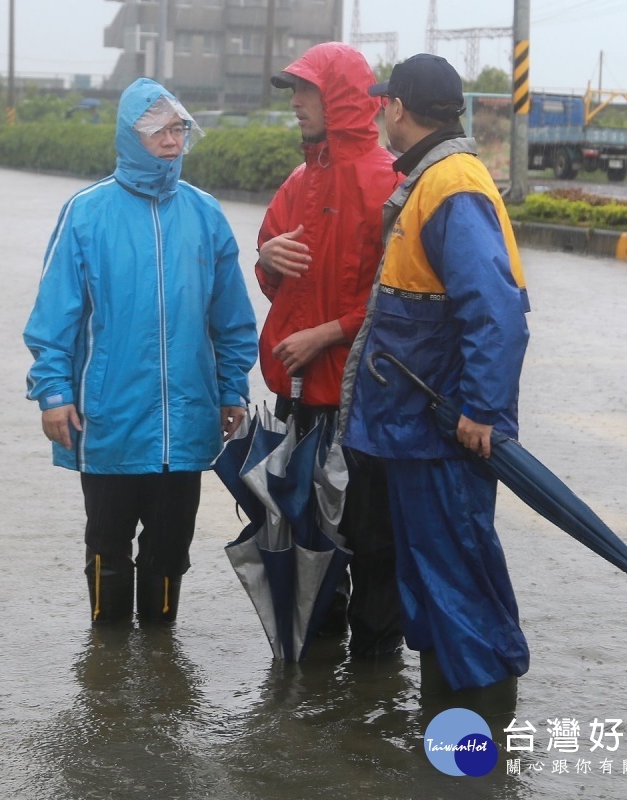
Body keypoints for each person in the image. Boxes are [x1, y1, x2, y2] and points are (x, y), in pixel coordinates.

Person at [23, 78, 259, 627]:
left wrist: (231, 389)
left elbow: (231, 319)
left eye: (179, 129)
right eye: (159, 131)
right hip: (108, 416)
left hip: (187, 417)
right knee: (107, 542)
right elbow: (54, 317)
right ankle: (106, 661)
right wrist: (53, 392)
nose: (172, 140)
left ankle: (159, 656)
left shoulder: (205, 214)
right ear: (131, 137)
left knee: (171, 545)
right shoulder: (86, 213)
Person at [342, 53, 532, 691]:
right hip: (413, 432)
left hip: (444, 435)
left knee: (458, 586)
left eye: (383, 103)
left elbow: (497, 311)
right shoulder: (431, 179)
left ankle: (482, 744)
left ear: (397, 107)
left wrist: (482, 411)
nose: (379, 112)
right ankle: (448, 738)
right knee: (430, 582)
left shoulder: (451, 185)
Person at [257, 42, 403, 656]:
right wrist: (264, 260)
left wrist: (330, 332)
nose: (294, 104)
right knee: (301, 533)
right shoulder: (296, 182)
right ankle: (313, 661)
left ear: (339, 97)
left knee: (371, 543)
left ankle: (373, 678)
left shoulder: (388, 182)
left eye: (305, 91)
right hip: (298, 399)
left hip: (365, 399)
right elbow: (274, 283)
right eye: (292, 91)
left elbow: (406, 302)